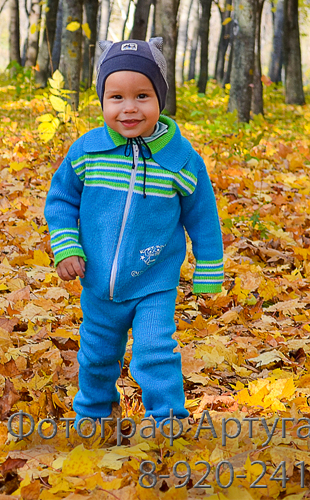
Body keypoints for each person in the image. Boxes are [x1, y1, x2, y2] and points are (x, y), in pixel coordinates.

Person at [44, 38, 224, 432]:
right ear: (102, 100)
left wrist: (209, 267)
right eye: (116, 97)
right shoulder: (87, 151)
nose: (129, 108)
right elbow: (60, 201)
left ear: (160, 97)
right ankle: (94, 416)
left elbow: (203, 217)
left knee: (154, 351)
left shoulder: (180, 160)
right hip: (98, 283)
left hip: (154, 281)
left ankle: (166, 421)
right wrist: (65, 246)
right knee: (96, 355)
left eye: (142, 95)